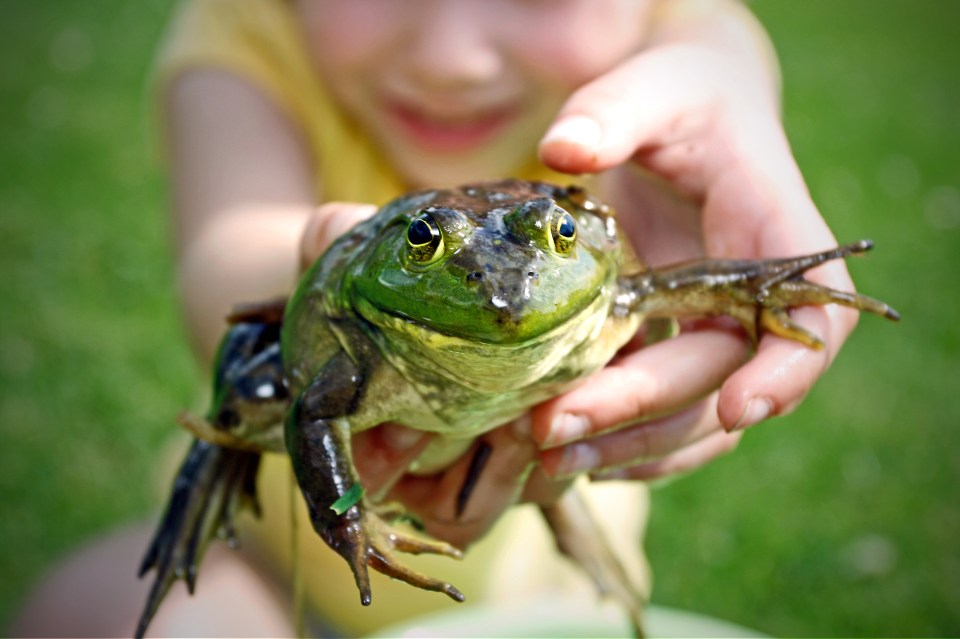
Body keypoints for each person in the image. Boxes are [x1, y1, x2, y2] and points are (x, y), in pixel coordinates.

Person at [14, 0, 862, 636]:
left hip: (539, 576)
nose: (452, 57)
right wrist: (324, 263)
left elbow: (713, 40)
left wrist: (727, 90)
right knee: (93, 612)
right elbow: (227, 280)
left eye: (557, 233)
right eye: (427, 242)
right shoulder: (248, 39)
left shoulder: (639, 92)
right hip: (268, 551)